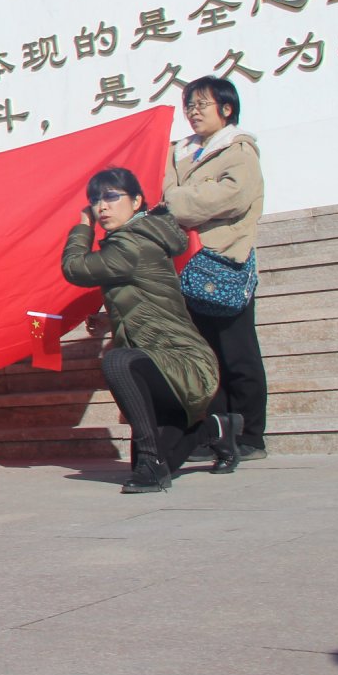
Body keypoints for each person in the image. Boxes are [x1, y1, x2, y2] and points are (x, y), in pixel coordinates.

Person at [63, 167, 239, 493]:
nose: (102, 206)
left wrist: (83, 226)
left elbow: (74, 268)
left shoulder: (130, 244)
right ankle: (215, 429)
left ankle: (151, 459)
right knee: (160, 457)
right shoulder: (137, 239)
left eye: (111, 196)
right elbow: (147, 299)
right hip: (159, 367)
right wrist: (110, 321)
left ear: (136, 201)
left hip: (183, 363)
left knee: (117, 361)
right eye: (95, 200)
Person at [164, 76, 269, 461]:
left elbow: (231, 196)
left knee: (238, 354)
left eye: (201, 105)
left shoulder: (239, 150)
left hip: (224, 262)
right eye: (189, 106)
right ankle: (218, 435)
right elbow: (163, 194)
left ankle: (251, 436)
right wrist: (183, 201)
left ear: (226, 109)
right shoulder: (177, 153)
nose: (193, 112)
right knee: (205, 357)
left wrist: (177, 202)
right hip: (186, 266)